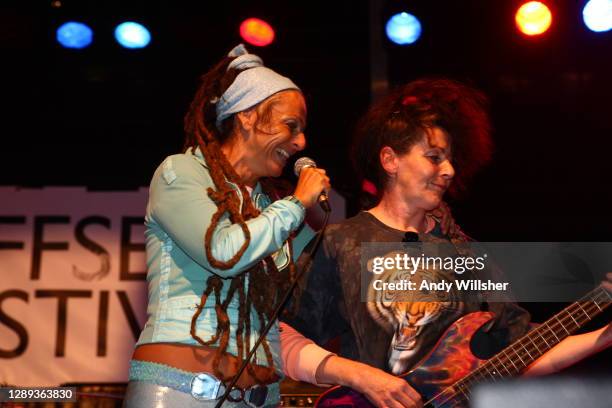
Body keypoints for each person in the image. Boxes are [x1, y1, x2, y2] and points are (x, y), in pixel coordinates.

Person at [280, 78, 612, 408]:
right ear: (390, 160)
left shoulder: (463, 252)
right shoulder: (343, 242)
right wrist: (360, 376)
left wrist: (605, 335)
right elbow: (279, 336)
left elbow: (523, 353)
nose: (449, 170)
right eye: (435, 157)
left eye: (450, 159)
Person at [122, 44, 330, 408]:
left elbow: (323, 276)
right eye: (290, 126)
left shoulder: (267, 205)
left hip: (261, 399)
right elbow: (222, 251)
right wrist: (297, 204)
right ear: (247, 116)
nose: (300, 142)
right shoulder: (180, 172)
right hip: (179, 391)